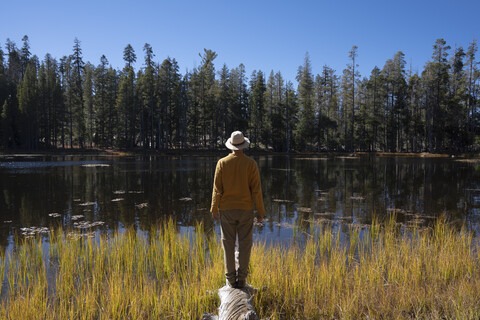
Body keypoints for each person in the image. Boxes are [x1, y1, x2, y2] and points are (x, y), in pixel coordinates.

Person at [210, 131, 265, 289]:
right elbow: (256, 190)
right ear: (243, 146)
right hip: (246, 210)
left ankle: (231, 280)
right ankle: (242, 280)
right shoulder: (251, 164)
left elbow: (217, 189)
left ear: (231, 146)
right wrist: (260, 211)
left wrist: (214, 208)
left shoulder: (222, 163)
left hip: (226, 210)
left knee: (227, 244)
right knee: (245, 244)